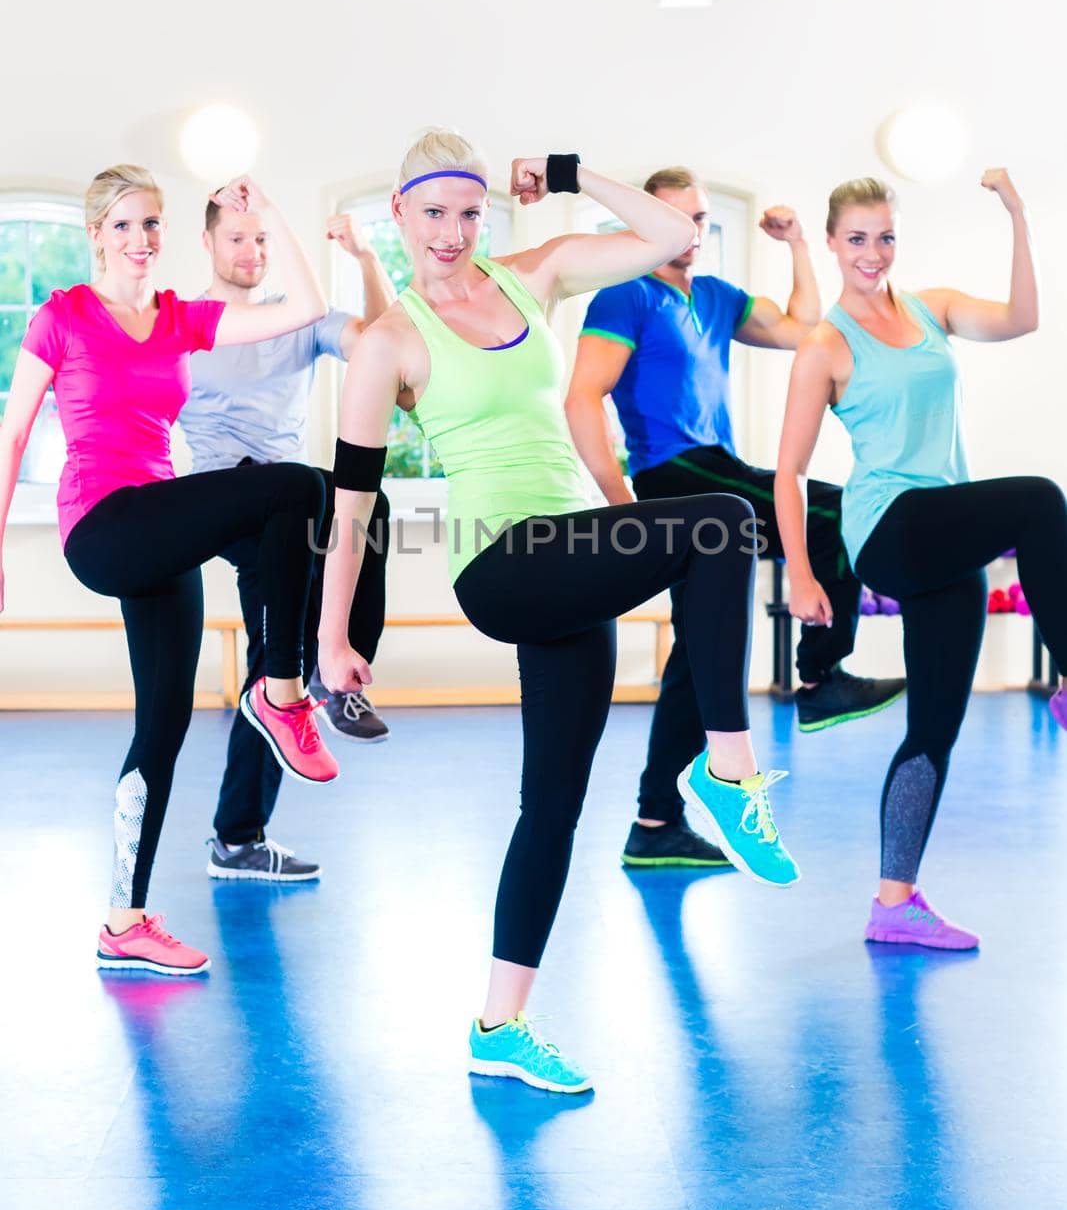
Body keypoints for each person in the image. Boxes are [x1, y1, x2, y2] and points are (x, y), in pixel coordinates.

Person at [316, 130, 801, 1094]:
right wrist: (331, 636)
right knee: (719, 522)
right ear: (400, 218)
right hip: (499, 563)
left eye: (467, 212)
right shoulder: (391, 340)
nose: (452, 233)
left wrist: (572, 176)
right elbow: (352, 501)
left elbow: (664, 233)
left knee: (554, 806)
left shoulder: (532, 276)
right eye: (432, 215)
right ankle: (726, 768)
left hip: (571, 554)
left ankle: (499, 1023)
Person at [0, 166, 339, 976]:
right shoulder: (63, 317)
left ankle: (125, 920)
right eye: (122, 226)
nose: (140, 240)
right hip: (104, 525)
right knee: (296, 487)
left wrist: (273, 212)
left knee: (164, 726)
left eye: (151, 224)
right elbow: (11, 437)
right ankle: (282, 691)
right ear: (95, 236)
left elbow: (308, 309)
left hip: (161, 530)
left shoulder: (180, 319)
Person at [565, 166, 905, 870]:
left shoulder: (716, 297)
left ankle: (654, 820)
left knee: (700, 653)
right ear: (641, 222)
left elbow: (801, 328)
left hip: (717, 466)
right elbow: (582, 398)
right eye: (675, 216)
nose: (689, 229)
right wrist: (621, 507)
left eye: (697, 217)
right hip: (671, 476)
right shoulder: (624, 295)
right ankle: (820, 674)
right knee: (833, 511)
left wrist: (797, 246)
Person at [775, 170, 1066, 950]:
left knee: (934, 726)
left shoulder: (929, 308)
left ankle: (892, 903)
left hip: (943, 529)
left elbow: (1020, 319)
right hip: (889, 527)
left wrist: (1015, 213)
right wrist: (801, 572)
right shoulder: (824, 345)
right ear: (833, 243)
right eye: (858, 239)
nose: (873, 253)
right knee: (1040, 499)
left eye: (885, 237)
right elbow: (788, 473)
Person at [180, 202, 396, 884]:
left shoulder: (296, 319)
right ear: (208, 240)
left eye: (261, 238)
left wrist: (364, 258)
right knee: (280, 649)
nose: (250, 250)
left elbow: (380, 342)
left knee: (277, 669)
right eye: (236, 237)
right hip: (227, 498)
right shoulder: (183, 324)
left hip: (291, 502)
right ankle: (240, 831)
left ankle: (240, 834)